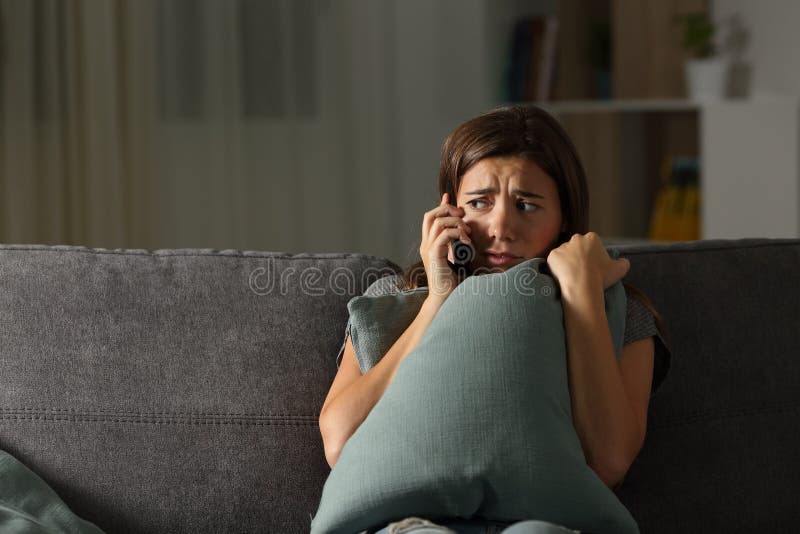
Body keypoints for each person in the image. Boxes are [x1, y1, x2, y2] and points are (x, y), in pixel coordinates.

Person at [318, 105, 671, 534]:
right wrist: (437, 302)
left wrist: (581, 295)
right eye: (479, 203)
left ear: (563, 219)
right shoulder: (393, 298)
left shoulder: (619, 311)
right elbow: (339, 441)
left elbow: (610, 462)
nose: (501, 226)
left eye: (527, 205)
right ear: (449, 209)